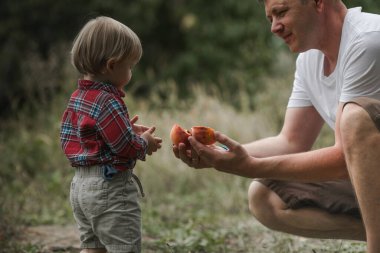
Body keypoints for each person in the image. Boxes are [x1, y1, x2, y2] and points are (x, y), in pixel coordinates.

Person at [173, 0, 380, 252]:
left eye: (281, 13)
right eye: (270, 18)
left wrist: (251, 166)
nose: (274, 27)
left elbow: (341, 161)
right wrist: (218, 155)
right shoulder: (309, 61)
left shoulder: (368, 41)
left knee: (354, 119)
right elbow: (291, 141)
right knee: (265, 196)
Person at [60, 16, 162, 253]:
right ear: (112, 65)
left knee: (92, 248)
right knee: (123, 247)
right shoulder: (108, 100)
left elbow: (74, 137)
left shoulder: (77, 98)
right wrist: (142, 143)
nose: (131, 72)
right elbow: (125, 147)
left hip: (80, 187)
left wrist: (125, 128)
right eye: (130, 66)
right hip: (109, 189)